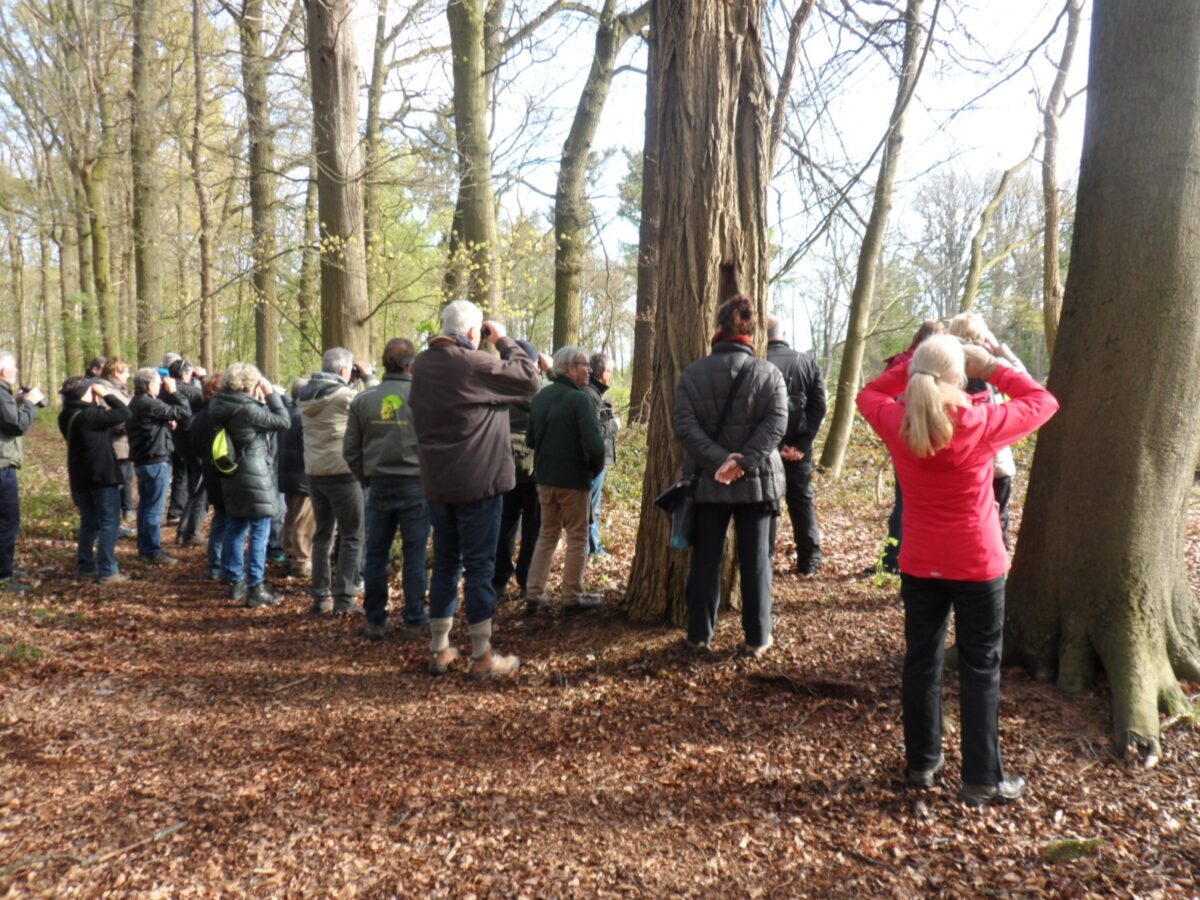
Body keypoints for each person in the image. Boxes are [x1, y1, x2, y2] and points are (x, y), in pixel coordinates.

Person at [857, 334, 1058, 807]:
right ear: (959, 376)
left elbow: (868, 394)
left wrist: (910, 361)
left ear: (917, 378)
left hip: (921, 562)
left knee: (922, 661)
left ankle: (922, 763)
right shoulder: (982, 421)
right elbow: (1043, 400)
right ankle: (981, 778)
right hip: (976, 562)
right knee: (979, 666)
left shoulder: (897, 421)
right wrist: (989, 364)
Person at [409, 300, 540, 679]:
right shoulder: (473, 363)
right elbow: (530, 380)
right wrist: (503, 340)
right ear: (471, 333)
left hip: (438, 483)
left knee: (446, 563)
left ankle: (439, 649)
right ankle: (482, 656)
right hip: (479, 483)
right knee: (481, 566)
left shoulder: (424, 365)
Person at [674, 296, 787, 657]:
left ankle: (698, 636)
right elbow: (776, 425)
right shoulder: (770, 374)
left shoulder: (692, 374)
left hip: (710, 482)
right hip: (758, 483)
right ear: (751, 334)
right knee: (755, 564)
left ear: (718, 330)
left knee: (706, 562)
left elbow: (685, 428)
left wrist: (722, 461)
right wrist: (743, 461)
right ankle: (757, 638)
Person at [345, 338, 430, 640]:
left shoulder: (363, 400)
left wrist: (367, 477)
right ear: (412, 365)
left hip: (378, 486)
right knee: (415, 555)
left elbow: (350, 450)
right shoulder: (423, 399)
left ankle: (376, 620)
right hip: (415, 486)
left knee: (375, 555)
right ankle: (415, 618)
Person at [524, 346, 606, 613]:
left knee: (547, 535)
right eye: (585, 365)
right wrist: (594, 468)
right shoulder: (579, 400)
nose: (590, 370)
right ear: (570, 368)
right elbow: (595, 445)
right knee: (578, 537)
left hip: (545, 480)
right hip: (574, 481)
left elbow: (531, 440)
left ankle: (534, 594)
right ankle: (571, 597)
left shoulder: (540, 397)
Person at [209, 362, 290, 607]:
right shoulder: (247, 409)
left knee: (235, 526)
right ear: (249, 383)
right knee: (260, 529)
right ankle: (256, 586)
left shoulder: (218, 404)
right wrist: (270, 393)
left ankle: (235, 581)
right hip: (255, 472)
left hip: (231, 472)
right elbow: (283, 421)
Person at [871, 319, 947, 575]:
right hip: (922, 439)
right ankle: (897, 559)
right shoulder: (917, 363)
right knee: (911, 501)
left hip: (909, 439)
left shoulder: (901, 362)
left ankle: (898, 558)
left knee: (907, 500)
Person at [299, 348, 371, 616]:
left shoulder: (305, 395)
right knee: (353, 534)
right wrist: (369, 376)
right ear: (344, 370)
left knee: (323, 535)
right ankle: (344, 598)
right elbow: (372, 403)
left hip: (315, 475)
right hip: (344, 473)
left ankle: (320, 597)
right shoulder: (344, 396)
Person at [948, 312, 1028, 551]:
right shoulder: (993, 366)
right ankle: (997, 573)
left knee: (963, 521)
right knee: (998, 517)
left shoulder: (947, 366)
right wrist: (1000, 350)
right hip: (996, 459)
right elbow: (1025, 383)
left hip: (959, 458)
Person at [765, 317, 827, 575]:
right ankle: (809, 561)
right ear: (785, 333)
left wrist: (770, 446)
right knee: (801, 502)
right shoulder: (806, 362)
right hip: (797, 448)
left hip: (765, 448)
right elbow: (819, 407)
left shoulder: (757, 362)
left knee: (766, 502)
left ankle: (764, 560)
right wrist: (801, 445)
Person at [58, 376, 130, 585]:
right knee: (109, 522)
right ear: (85, 393)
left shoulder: (66, 414)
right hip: (102, 476)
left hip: (81, 476)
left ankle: (86, 564)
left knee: (89, 522)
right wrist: (106, 394)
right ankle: (108, 570)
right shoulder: (90, 415)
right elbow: (125, 413)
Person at [491, 340, 545, 601]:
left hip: (504, 466)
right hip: (535, 469)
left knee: (505, 525)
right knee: (533, 527)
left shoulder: (500, 390)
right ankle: (527, 580)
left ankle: (499, 580)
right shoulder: (540, 391)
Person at [127, 367, 191, 565]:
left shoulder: (136, 403)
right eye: (157, 384)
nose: (160, 387)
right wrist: (174, 392)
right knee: (153, 509)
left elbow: (151, 424)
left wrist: (163, 424)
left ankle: (145, 547)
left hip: (143, 460)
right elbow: (185, 411)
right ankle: (153, 551)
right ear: (148, 385)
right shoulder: (148, 403)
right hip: (155, 461)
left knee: (145, 506)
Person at [0, 351, 44, 593]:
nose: (16, 372)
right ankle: (4, 575)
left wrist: (17, 403)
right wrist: (28, 404)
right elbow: (17, 425)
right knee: (8, 521)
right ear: (3, 371)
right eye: (13, 368)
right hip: (2, 465)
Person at [187, 373, 226, 580]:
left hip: (209, 470)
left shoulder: (200, 416)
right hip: (223, 471)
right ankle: (220, 563)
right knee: (226, 518)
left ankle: (215, 564)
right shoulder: (218, 415)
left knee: (220, 517)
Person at [582, 351, 619, 557]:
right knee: (591, 508)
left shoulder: (596, 392)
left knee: (594, 506)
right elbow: (596, 430)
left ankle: (592, 546)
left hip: (599, 459)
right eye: (610, 370)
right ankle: (591, 549)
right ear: (600, 372)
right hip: (594, 460)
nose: (611, 374)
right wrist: (614, 425)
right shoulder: (590, 394)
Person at [277, 378, 315, 579]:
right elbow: (308, 449)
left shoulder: (286, 414)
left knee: (291, 517)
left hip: (286, 476)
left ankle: (290, 554)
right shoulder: (304, 417)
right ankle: (300, 562)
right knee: (303, 521)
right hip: (302, 477)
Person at [167, 358, 207, 544]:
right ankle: (192, 532)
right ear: (185, 374)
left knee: (193, 486)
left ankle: (184, 530)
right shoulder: (189, 390)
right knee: (200, 488)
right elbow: (210, 397)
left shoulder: (163, 389)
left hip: (178, 442)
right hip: (194, 442)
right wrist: (204, 377)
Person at [96, 359, 136, 538]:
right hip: (117, 446)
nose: (128, 374)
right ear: (115, 373)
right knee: (115, 488)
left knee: (124, 482)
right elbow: (108, 418)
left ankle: (116, 523)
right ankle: (111, 525)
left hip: (126, 445)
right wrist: (129, 424)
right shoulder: (106, 390)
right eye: (125, 371)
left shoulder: (119, 390)